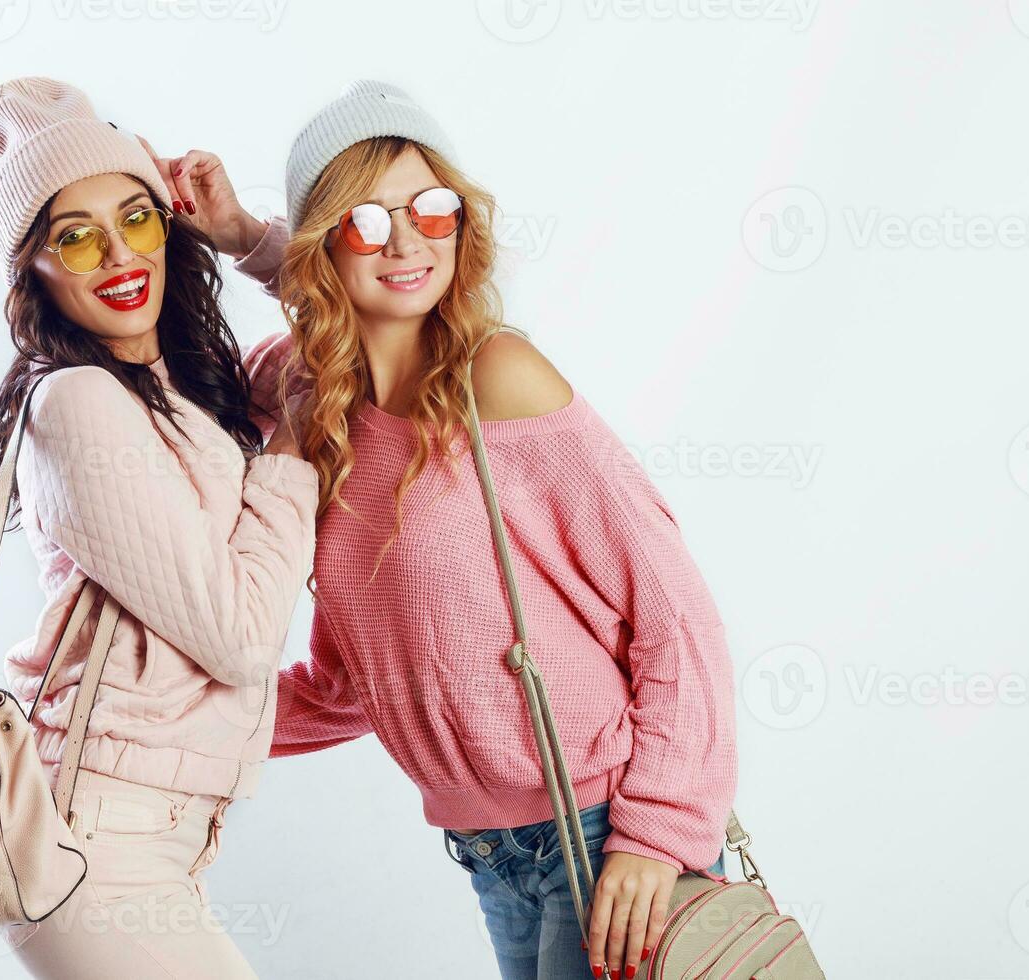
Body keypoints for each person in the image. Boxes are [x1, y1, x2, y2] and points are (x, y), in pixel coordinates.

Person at [191, 80, 737, 980]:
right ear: (325, 238)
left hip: (600, 833)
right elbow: (355, 677)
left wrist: (663, 829)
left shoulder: (498, 379)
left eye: (430, 210)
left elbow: (674, 612)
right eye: (366, 218)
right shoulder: (306, 399)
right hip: (487, 853)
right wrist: (171, 724)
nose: (407, 240)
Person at [0, 76, 318, 979]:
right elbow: (243, 638)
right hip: (98, 848)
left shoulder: (186, 388)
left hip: (152, 843)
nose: (118, 255)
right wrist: (294, 447)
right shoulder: (78, 401)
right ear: (35, 269)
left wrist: (242, 234)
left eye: (136, 219)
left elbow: (366, 316)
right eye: (75, 237)